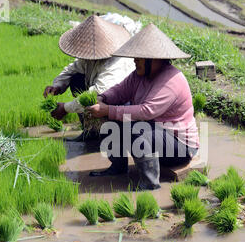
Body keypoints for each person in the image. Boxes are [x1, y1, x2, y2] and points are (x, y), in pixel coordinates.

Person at [84, 23, 200, 190]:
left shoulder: (171, 79)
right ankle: (118, 167)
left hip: (180, 145)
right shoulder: (140, 75)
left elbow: (147, 111)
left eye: (139, 57)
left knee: (135, 129)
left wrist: (108, 110)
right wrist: (102, 99)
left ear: (154, 60)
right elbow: (120, 90)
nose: (134, 60)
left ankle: (150, 183)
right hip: (157, 133)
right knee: (113, 119)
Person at [46, 14, 137, 142]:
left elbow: (98, 92)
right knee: (76, 79)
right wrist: (57, 86)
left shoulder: (118, 61)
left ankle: (113, 136)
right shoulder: (89, 56)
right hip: (105, 98)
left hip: (123, 105)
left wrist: (65, 108)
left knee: (113, 134)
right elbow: (72, 68)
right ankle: (90, 132)